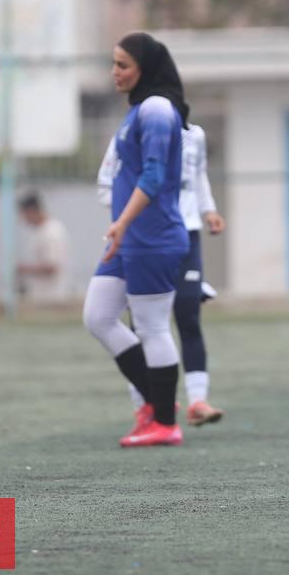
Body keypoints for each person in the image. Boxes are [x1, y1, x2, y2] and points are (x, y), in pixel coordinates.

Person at [83, 32, 190, 448]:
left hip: (153, 237)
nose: (114, 72)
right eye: (113, 63)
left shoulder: (158, 109)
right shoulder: (138, 111)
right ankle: (157, 400)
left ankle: (163, 422)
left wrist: (123, 222)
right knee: (98, 317)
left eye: (123, 65)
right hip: (128, 237)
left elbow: (154, 175)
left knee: (152, 327)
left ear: (145, 69)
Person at [105, 120, 227, 429]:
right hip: (146, 237)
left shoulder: (194, 135)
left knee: (188, 314)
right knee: (142, 324)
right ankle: (146, 403)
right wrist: (129, 216)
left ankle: (197, 401)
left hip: (185, 235)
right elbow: (107, 184)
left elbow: (198, 176)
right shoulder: (129, 133)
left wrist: (208, 210)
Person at [16, 191, 71, 303]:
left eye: (24, 214)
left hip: (51, 298)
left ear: (32, 211)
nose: (22, 218)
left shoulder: (51, 231)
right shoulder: (39, 231)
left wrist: (23, 269)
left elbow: (52, 267)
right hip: (39, 296)